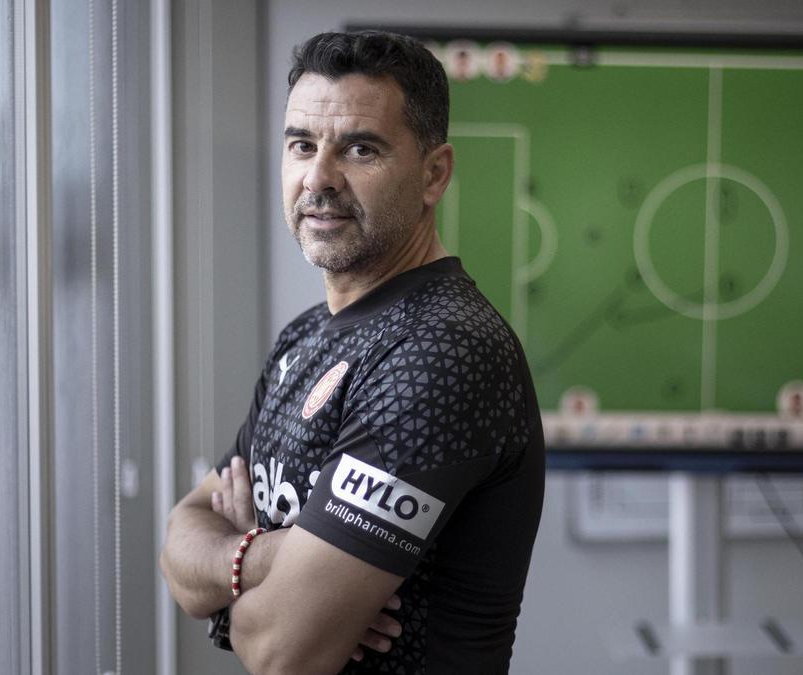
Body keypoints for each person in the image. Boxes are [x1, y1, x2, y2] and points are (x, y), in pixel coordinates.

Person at [158, 31, 546, 674]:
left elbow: (284, 649)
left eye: (360, 149)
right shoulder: (306, 336)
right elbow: (179, 540)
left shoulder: (441, 353)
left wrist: (235, 584)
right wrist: (269, 557)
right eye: (301, 145)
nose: (319, 177)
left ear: (433, 174)